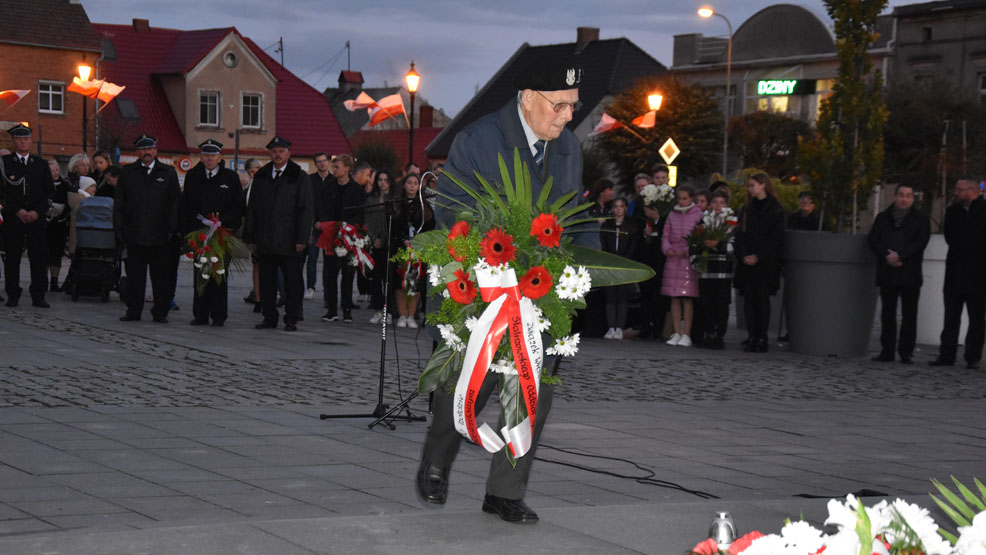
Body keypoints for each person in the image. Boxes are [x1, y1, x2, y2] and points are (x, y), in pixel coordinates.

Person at [417, 55, 584, 524]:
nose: (568, 115)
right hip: (483, 291)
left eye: (572, 105)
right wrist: (501, 262)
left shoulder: (569, 147)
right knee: (462, 388)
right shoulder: (478, 139)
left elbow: (573, 219)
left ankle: (504, 490)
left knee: (532, 391)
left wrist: (579, 277)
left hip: (541, 294)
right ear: (529, 99)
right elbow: (453, 212)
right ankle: (435, 464)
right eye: (560, 105)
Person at [244, 136, 313, 332]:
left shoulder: (299, 176)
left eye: (281, 151)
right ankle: (269, 317)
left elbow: (306, 210)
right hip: (265, 239)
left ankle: (291, 318)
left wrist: (302, 238)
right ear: (269, 154)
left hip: (290, 240)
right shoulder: (262, 175)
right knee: (267, 282)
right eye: (274, 151)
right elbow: (253, 208)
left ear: (288, 153)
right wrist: (251, 236)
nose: (278, 154)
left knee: (292, 283)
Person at [115, 133, 181, 322]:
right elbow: (119, 203)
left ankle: (160, 312)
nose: (147, 152)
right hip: (135, 234)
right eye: (143, 149)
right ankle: (133, 310)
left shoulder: (167, 173)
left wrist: (172, 230)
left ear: (156, 151)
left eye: (150, 149)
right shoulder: (128, 173)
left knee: (161, 277)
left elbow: (175, 203)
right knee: (135, 277)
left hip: (160, 236)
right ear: (137, 152)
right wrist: (119, 229)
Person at [181, 139, 245, 327]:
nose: (209, 159)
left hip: (222, 233)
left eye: (213, 155)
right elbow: (187, 205)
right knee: (201, 271)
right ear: (201, 157)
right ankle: (200, 313)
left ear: (220, 157)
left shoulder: (230, 178)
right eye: (206, 155)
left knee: (219, 272)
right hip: (199, 233)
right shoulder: (193, 176)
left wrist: (223, 221)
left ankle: (218, 314)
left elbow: (238, 205)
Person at [867, 183, 930, 364]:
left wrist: (901, 256)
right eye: (901, 195)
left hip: (909, 271)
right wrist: (887, 256)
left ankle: (906, 351)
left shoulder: (920, 219)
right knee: (888, 313)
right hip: (887, 271)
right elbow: (873, 240)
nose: (904, 199)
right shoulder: (883, 217)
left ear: (913, 198)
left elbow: (920, 242)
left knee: (909, 314)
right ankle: (887, 350)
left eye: (909, 196)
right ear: (895, 196)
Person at [930, 177, 986, 369]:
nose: (956, 193)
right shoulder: (953, 212)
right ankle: (947, 355)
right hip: (955, 273)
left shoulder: (983, 210)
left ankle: (973, 356)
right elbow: (950, 237)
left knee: (976, 319)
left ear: (972, 190)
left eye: (960, 190)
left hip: (979, 275)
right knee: (950, 317)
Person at [1, 124, 55, 307]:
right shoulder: (5, 163)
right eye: (19, 138)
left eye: (26, 138)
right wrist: (17, 210)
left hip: (36, 218)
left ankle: (38, 295)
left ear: (31, 141)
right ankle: (13, 293)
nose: (23, 142)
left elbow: (49, 191)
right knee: (12, 256)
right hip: (13, 217)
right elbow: (2, 192)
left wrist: (37, 212)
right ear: (13, 141)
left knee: (38, 257)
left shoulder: (40, 164)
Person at [733, 173, 786, 353]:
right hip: (747, 260)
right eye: (749, 186)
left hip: (765, 261)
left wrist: (759, 255)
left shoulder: (775, 208)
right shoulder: (747, 208)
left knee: (762, 298)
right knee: (748, 297)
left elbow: (777, 238)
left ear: (763, 185)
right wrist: (743, 255)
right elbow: (739, 233)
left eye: (752, 185)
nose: (749, 189)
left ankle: (762, 337)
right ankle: (752, 335)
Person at [317, 155, 371, 323]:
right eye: (334, 167)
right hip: (331, 234)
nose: (335, 170)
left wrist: (350, 227)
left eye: (337, 167)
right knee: (330, 274)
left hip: (349, 235)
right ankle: (331, 309)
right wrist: (323, 223)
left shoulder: (356, 189)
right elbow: (322, 207)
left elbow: (360, 213)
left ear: (347, 168)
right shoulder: (329, 187)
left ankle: (347, 309)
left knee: (348, 274)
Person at [662, 185, 703, 347]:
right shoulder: (672, 214)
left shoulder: (698, 215)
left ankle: (687, 333)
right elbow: (665, 235)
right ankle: (677, 331)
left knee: (687, 298)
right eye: (679, 198)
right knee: (674, 297)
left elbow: (698, 237)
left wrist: (686, 250)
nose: (681, 201)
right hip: (673, 259)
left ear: (691, 198)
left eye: (685, 198)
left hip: (687, 260)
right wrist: (667, 248)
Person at [392, 174, 434, 328]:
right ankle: (402, 315)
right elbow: (393, 225)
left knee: (415, 283)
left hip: (418, 250)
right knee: (401, 283)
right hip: (401, 248)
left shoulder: (424, 205)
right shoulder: (397, 204)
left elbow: (429, 226)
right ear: (404, 185)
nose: (412, 186)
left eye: (415, 183)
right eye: (409, 183)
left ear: (419, 186)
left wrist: (418, 241)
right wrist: (403, 239)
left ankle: (411, 315)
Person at [695, 191, 735, 350]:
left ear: (726, 205)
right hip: (706, 267)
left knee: (721, 302)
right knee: (706, 302)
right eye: (715, 202)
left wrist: (717, 244)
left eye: (721, 203)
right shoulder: (704, 219)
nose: (718, 206)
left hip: (723, 268)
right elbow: (696, 241)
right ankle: (709, 333)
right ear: (710, 204)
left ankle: (719, 335)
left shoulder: (731, 220)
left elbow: (733, 243)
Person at [600, 197, 637, 339]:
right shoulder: (607, 225)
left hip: (624, 265)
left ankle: (620, 327)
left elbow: (633, 245)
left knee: (622, 296)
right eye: (616, 206)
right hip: (609, 264)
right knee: (610, 296)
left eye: (621, 206)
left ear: (626, 208)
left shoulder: (631, 225)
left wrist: (624, 260)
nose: (618, 209)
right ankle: (611, 327)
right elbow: (603, 243)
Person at [364, 169, 395, 324]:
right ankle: (377, 309)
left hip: (390, 243)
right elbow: (368, 219)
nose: (383, 182)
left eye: (385, 179)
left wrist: (384, 238)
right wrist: (373, 237)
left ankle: (388, 310)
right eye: (380, 179)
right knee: (375, 278)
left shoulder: (394, 199)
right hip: (374, 244)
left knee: (389, 279)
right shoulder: (371, 199)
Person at [305, 152, 333, 301]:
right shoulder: (310, 180)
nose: (322, 164)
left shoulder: (334, 181)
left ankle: (328, 288)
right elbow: (309, 203)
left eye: (324, 161)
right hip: (314, 225)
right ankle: (310, 287)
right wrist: (314, 222)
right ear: (315, 164)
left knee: (329, 260)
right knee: (312, 258)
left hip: (329, 226)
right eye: (319, 162)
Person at [47, 159, 76, 292]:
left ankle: (54, 281)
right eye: (51, 171)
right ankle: (42, 280)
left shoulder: (65, 185)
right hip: (45, 224)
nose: (55, 173)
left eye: (56, 170)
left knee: (56, 254)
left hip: (59, 225)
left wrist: (61, 215)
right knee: (43, 253)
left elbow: (70, 204)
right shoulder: (43, 184)